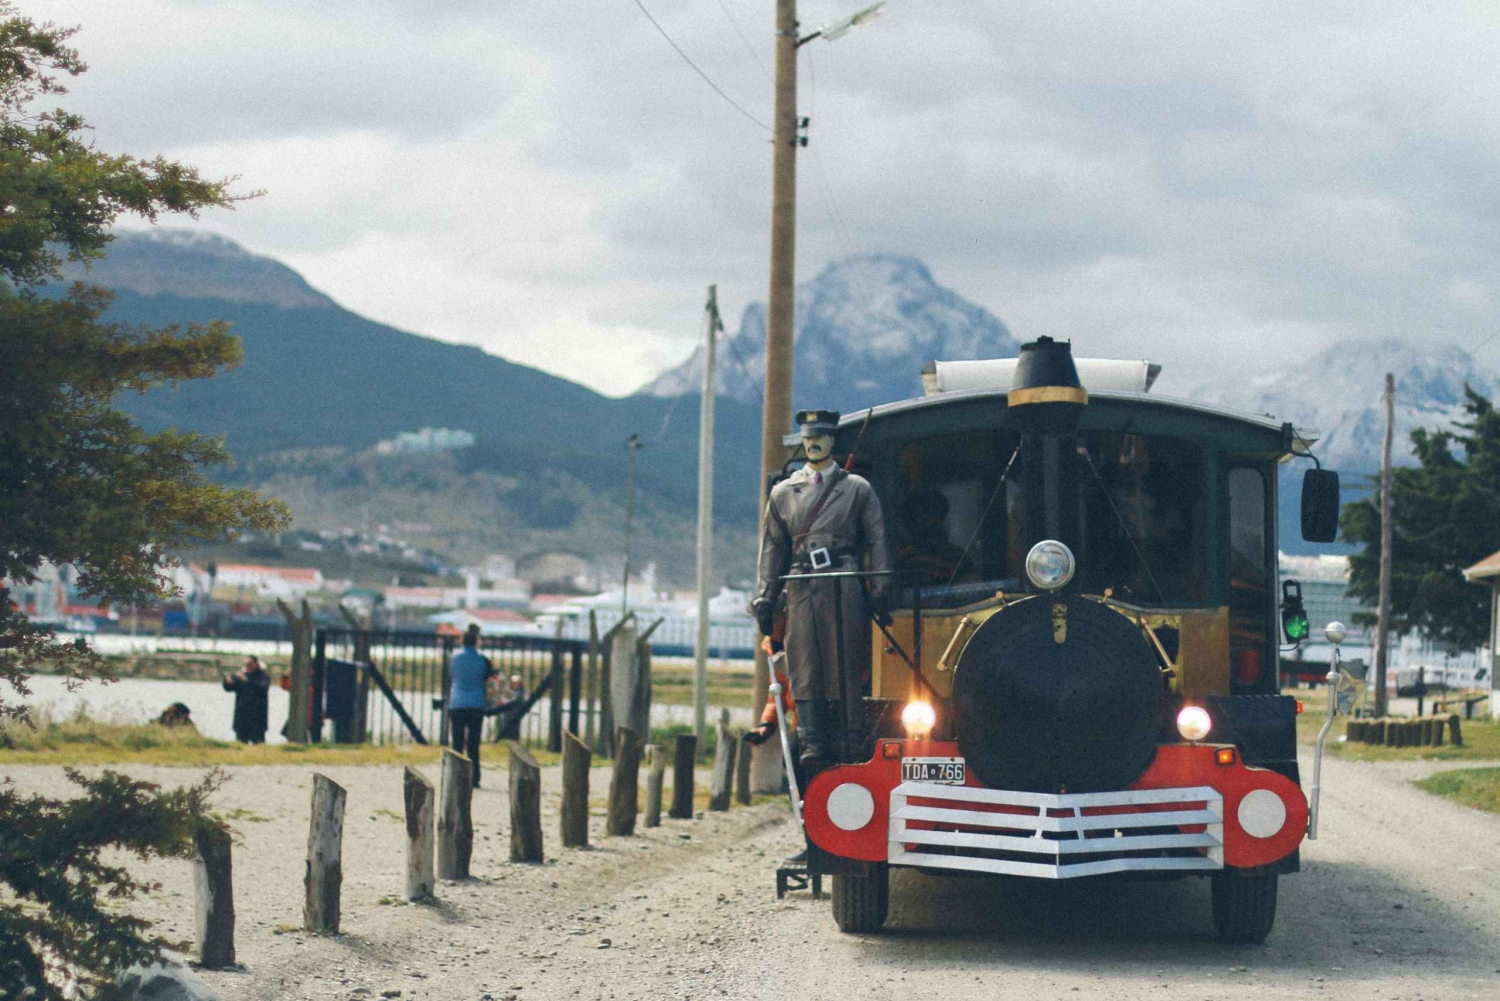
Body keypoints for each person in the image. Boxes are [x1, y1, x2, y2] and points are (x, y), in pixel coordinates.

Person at [751, 408, 889, 773]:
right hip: (799, 584)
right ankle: (812, 739)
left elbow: (876, 538)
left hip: (843, 580)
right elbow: (772, 548)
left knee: (845, 656)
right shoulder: (783, 493)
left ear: (833, 441)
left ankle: (849, 736)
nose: (814, 443)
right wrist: (765, 596)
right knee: (803, 660)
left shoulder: (856, 489)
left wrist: (878, 587)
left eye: (821, 437)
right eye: (808, 438)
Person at [898, 488, 978, 586]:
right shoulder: (905, 558)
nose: (935, 521)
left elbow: (974, 586)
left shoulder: (958, 556)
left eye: (939, 516)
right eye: (927, 515)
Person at [448, 623, 496, 787]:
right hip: (476, 703)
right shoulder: (483, 659)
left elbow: (452, 675)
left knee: (457, 741)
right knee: (474, 744)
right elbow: (490, 677)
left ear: (462, 640)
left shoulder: (454, 657)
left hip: (457, 702)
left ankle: (455, 777)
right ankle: (474, 778)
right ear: (477, 641)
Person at [222, 656, 270, 744]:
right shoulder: (241, 676)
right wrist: (227, 681)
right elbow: (229, 688)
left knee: (258, 745)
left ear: (256, 664)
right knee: (240, 743)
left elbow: (262, 688)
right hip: (242, 717)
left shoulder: (263, 676)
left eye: (249, 665)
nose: (247, 667)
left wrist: (246, 680)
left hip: (257, 718)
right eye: (245, 665)